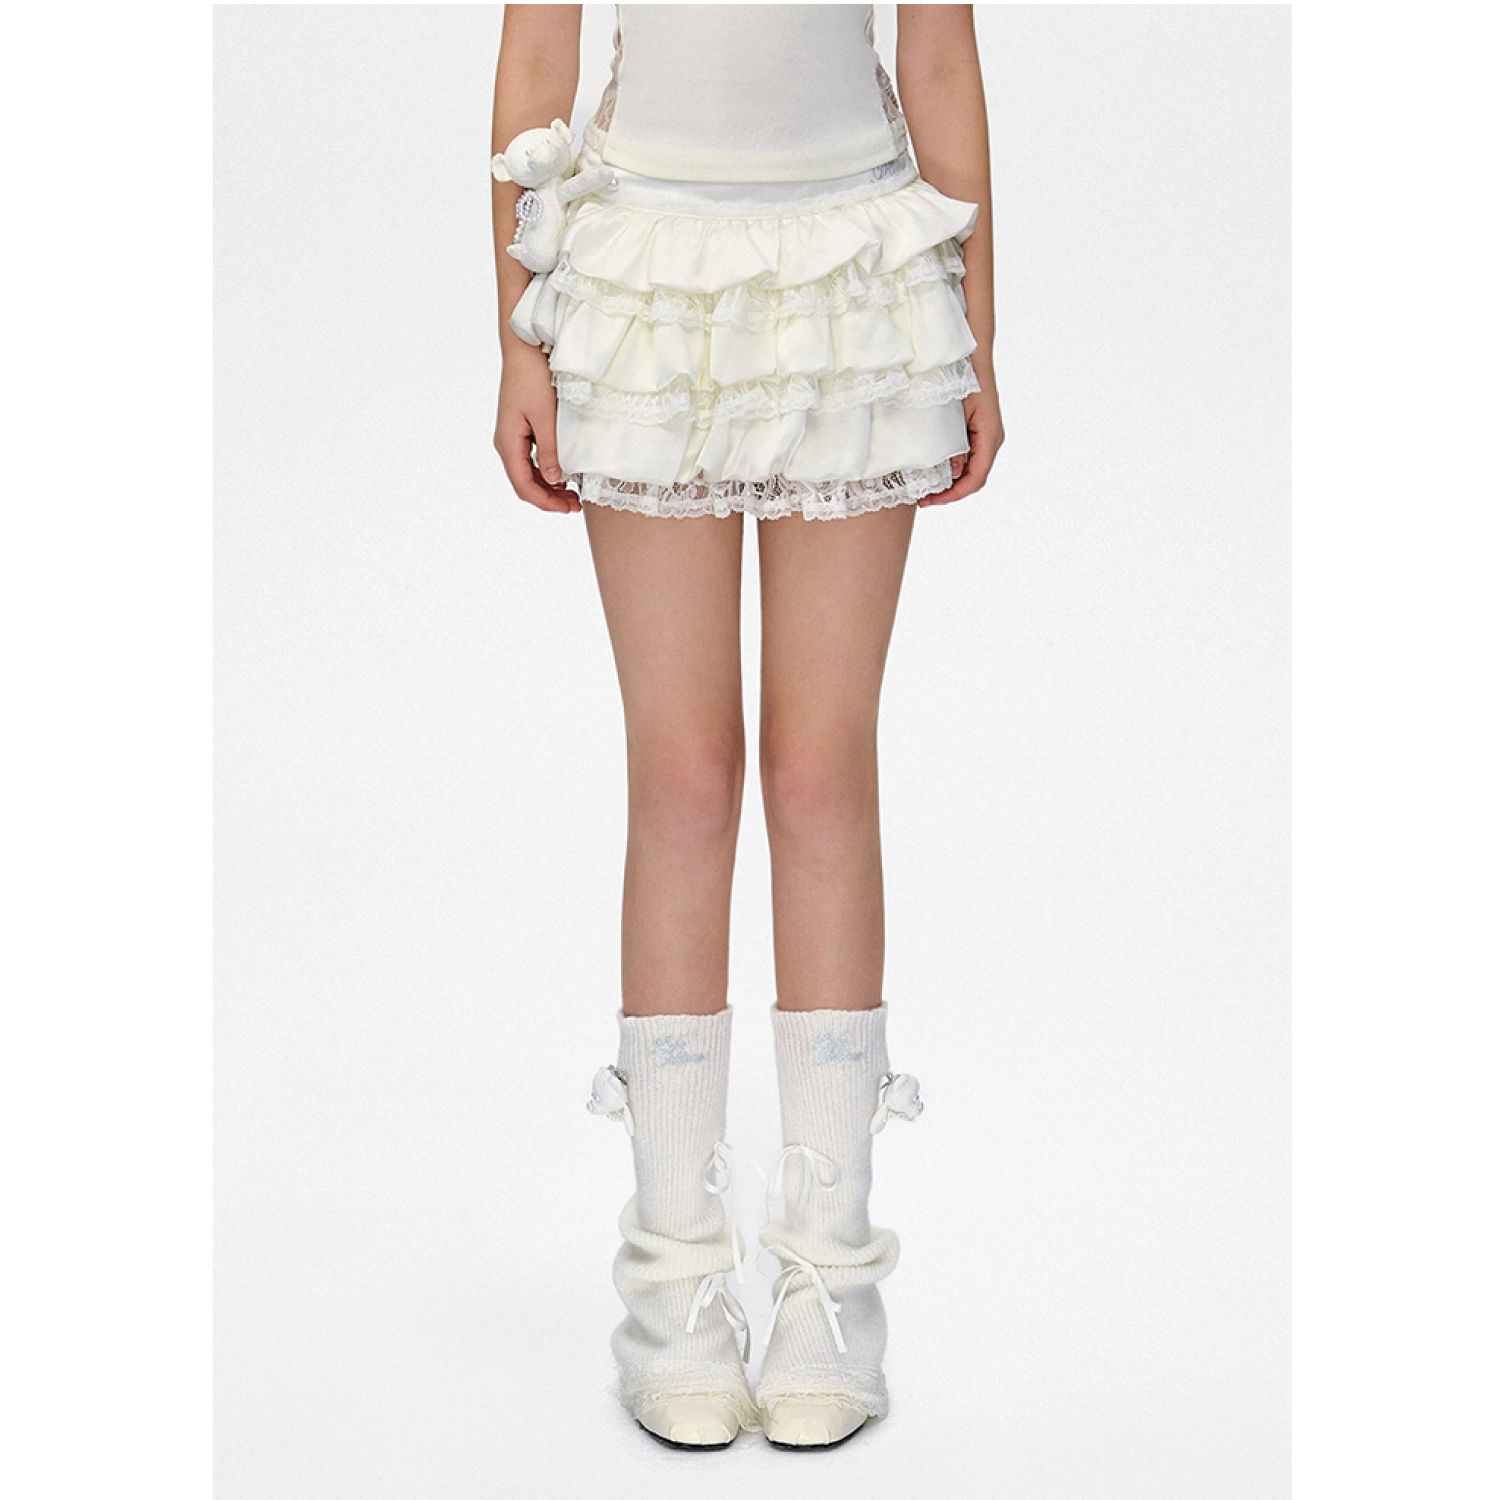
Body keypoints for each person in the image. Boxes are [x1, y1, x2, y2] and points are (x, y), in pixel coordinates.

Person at [489, 2, 1002, 1451]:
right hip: (642, 278)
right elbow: (536, 53)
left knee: (821, 778)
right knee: (687, 782)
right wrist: (518, 341)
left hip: (857, 277)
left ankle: (830, 1283)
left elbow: (940, 49)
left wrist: (975, 330)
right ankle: (674, 1288)